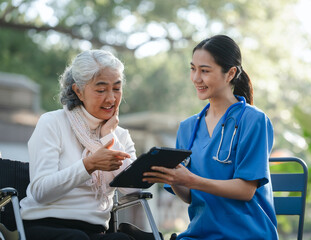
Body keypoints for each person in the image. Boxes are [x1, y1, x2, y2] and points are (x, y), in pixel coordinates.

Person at [143, 35, 278, 239]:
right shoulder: (187, 127)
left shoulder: (254, 120)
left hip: (247, 234)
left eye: (205, 70)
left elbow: (245, 190)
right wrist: (172, 177)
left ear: (230, 73)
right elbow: (190, 197)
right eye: (192, 68)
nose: (196, 78)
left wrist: (191, 179)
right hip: (199, 234)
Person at [20, 50, 138, 240]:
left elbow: (134, 189)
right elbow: (40, 192)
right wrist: (89, 165)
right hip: (45, 224)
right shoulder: (52, 122)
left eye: (116, 88)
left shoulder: (120, 135)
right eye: (101, 90)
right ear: (78, 91)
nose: (111, 99)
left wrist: (108, 136)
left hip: (93, 230)